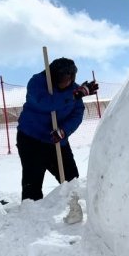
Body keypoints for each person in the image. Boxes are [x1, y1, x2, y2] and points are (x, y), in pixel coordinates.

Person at [17, 57, 98, 200]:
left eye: (70, 78)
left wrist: (64, 131)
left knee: (72, 180)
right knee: (32, 185)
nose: (67, 82)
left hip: (57, 140)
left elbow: (77, 114)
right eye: (63, 78)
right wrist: (73, 95)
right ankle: (31, 216)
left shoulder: (74, 90)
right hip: (32, 140)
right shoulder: (37, 82)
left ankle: (74, 210)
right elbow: (46, 104)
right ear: (54, 75)